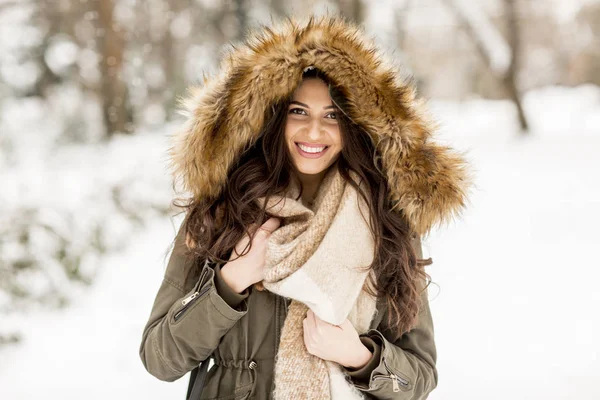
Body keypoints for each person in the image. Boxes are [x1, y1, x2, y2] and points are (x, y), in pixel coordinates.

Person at [139, 14, 470, 400]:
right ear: (274, 118)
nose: (314, 132)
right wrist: (231, 281)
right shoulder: (224, 209)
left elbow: (420, 377)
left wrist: (359, 356)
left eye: (332, 116)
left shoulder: (386, 222)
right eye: (298, 112)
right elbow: (160, 358)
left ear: (356, 125)